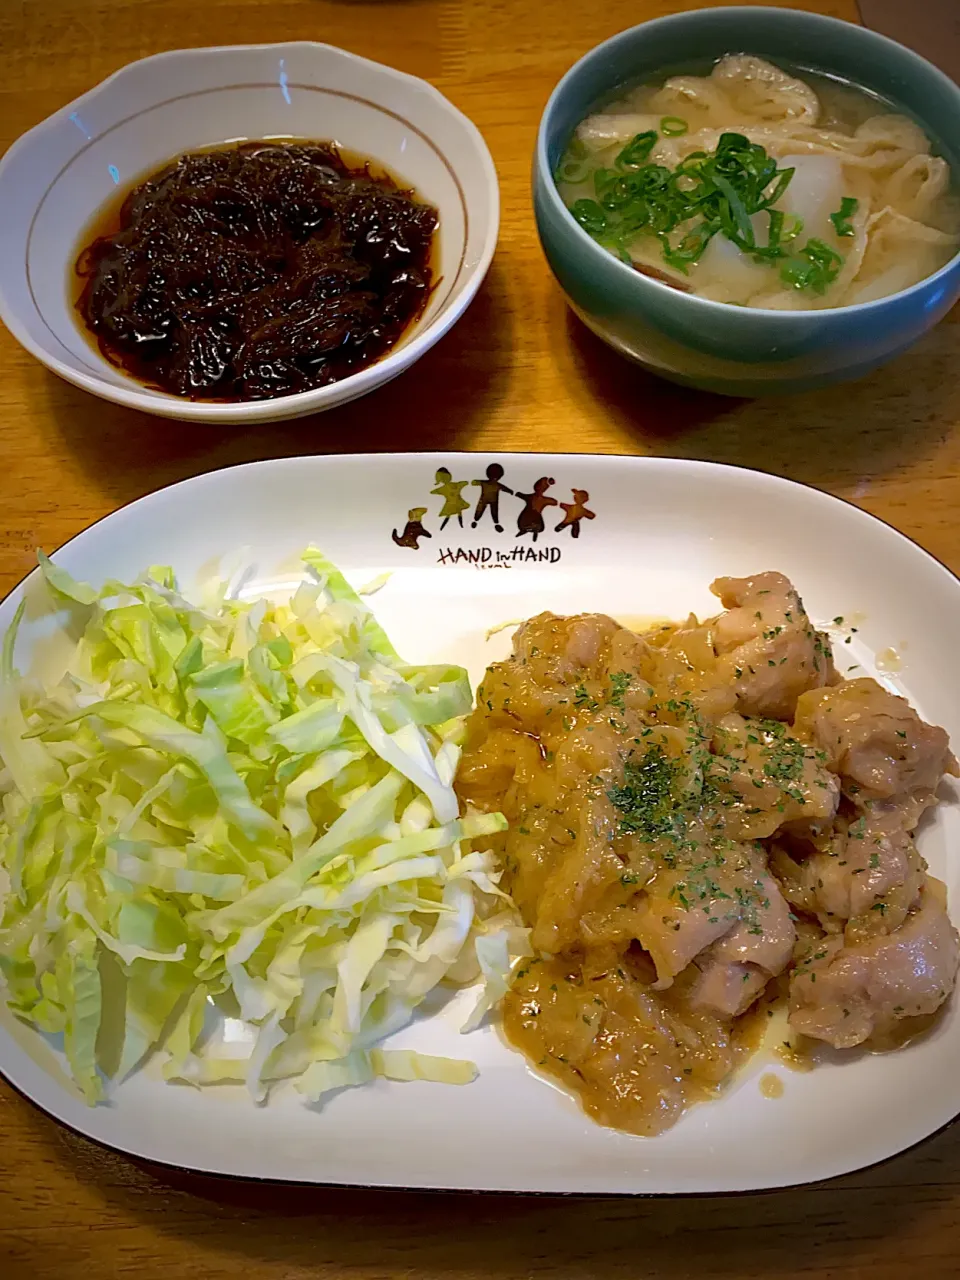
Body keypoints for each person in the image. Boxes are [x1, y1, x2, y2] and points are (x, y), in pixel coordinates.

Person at [470, 463, 514, 532]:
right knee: (486, 511)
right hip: (489, 500)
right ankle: (477, 520)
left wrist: (510, 491)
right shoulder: (495, 484)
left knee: (489, 511)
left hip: (487, 500)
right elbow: (505, 489)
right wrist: (510, 491)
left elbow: (473, 482)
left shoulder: (487, 483)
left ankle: (477, 520)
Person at [515, 477, 557, 542]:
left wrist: (518, 494)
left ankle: (534, 530)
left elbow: (554, 502)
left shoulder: (543, 500)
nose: (539, 489)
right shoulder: (532, 497)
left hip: (535, 516)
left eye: (541, 487)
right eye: (538, 487)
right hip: (527, 515)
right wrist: (519, 494)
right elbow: (522, 495)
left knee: (537, 524)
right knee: (524, 523)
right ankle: (525, 529)